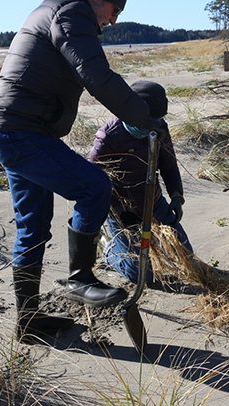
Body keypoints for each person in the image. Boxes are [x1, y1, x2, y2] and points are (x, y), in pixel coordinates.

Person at [0, 0, 165, 341]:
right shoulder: (71, 12)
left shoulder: (57, 10)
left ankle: (28, 321)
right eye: (115, 9)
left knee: (33, 228)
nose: (113, 19)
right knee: (94, 185)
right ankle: (80, 278)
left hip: (14, 130)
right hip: (22, 131)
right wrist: (143, 117)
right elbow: (95, 74)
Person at [88, 80, 193, 286]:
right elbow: (94, 179)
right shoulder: (108, 137)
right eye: (148, 120)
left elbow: (169, 166)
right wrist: (119, 211)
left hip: (153, 203)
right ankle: (108, 248)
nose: (153, 125)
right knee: (139, 274)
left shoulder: (160, 130)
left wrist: (176, 196)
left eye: (158, 119)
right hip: (121, 211)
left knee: (185, 256)